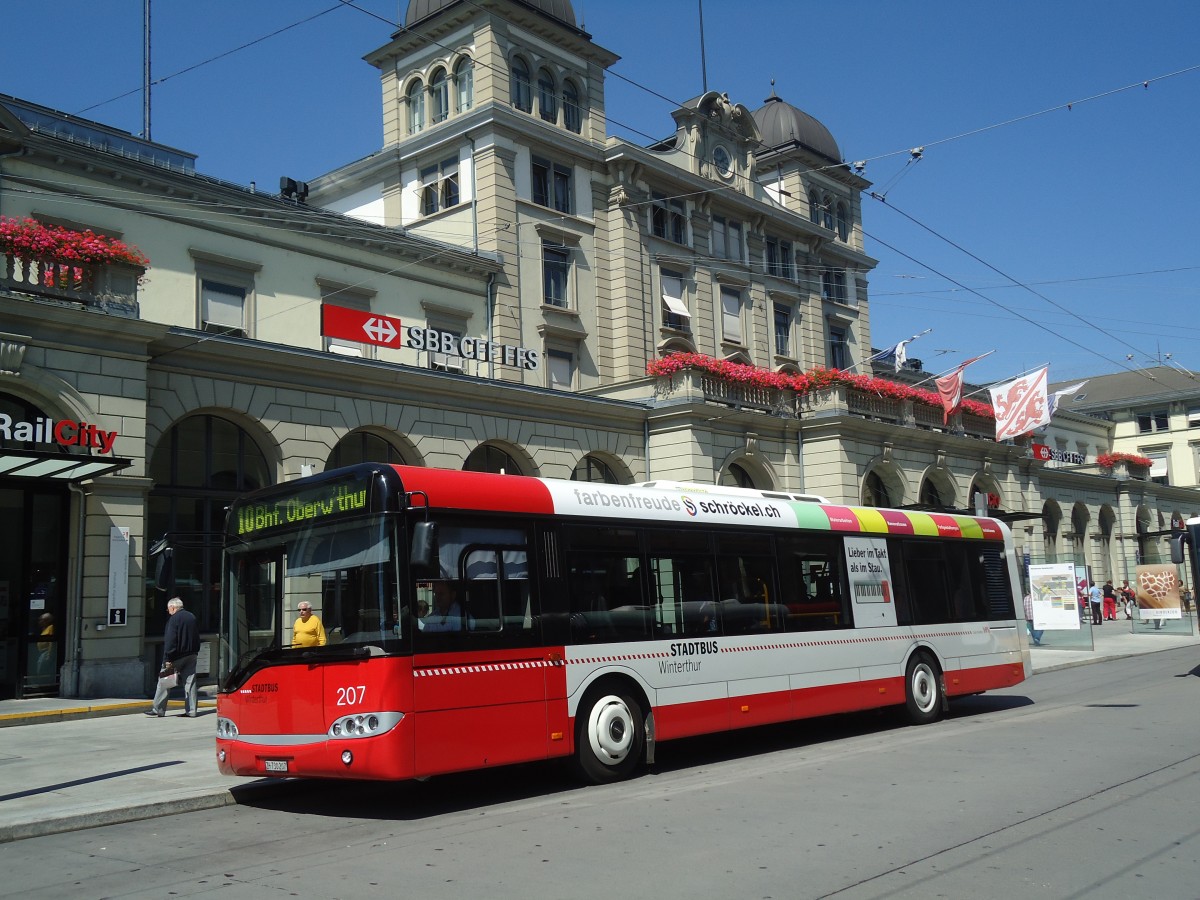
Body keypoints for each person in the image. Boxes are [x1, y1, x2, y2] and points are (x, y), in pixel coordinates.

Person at [146, 597, 200, 718]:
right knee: (190, 683)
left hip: (175, 656)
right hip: (191, 655)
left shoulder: (173, 619)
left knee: (164, 681)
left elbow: (170, 640)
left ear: (173, 607)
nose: (168, 611)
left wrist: (167, 658)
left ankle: (158, 709)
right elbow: (196, 636)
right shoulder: (191, 616)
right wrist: (195, 651)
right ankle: (191, 710)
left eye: (168, 609)